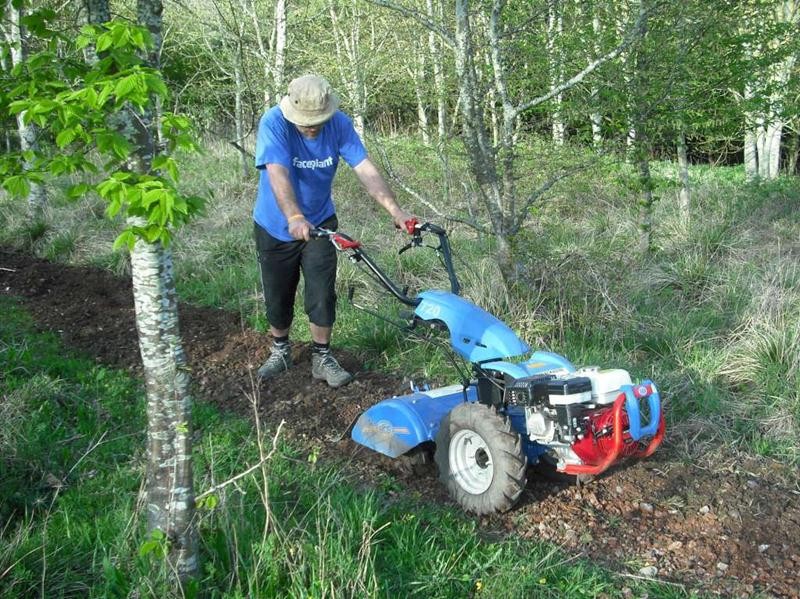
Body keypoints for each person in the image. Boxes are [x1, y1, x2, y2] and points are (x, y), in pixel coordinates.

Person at [253, 74, 413, 388]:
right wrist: (294, 216)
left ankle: (322, 357)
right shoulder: (274, 123)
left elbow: (364, 168)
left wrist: (396, 210)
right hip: (275, 224)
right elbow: (278, 172)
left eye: (318, 121)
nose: (312, 127)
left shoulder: (339, 124)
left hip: (321, 222)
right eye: (305, 122)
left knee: (322, 292)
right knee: (278, 293)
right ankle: (280, 350)